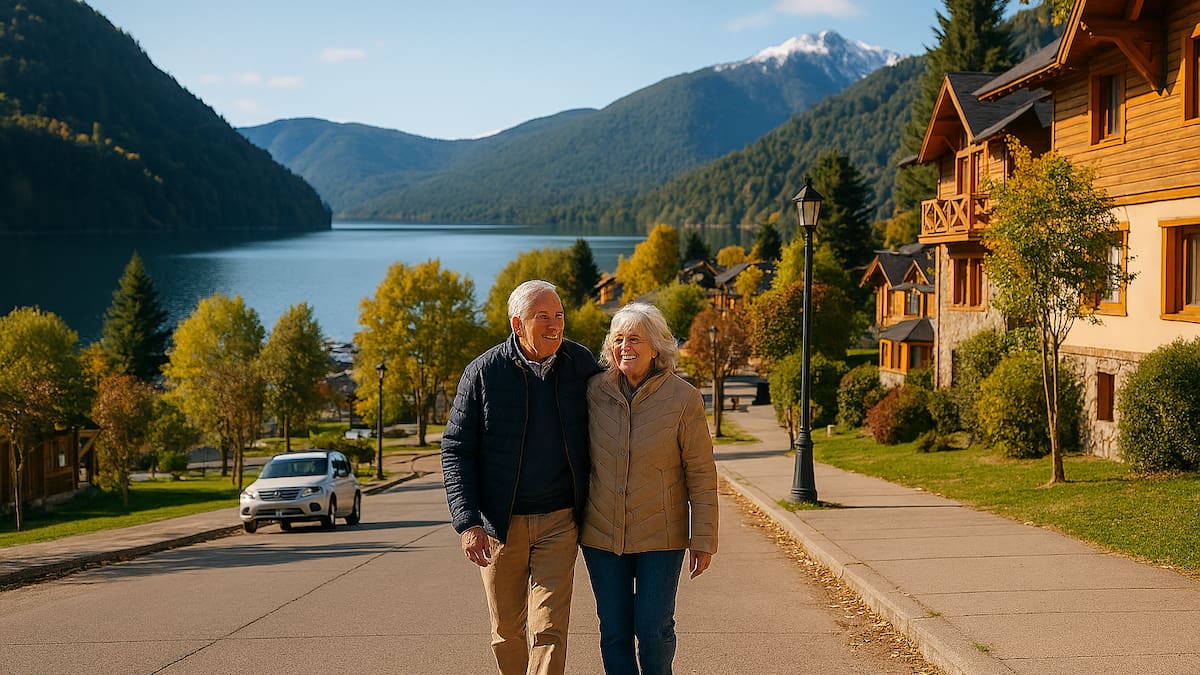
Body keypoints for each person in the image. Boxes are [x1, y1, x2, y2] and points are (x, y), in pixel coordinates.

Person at [441, 279, 599, 675]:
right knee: (507, 630)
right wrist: (468, 523)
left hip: (560, 521)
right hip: (499, 526)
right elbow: (456, 450)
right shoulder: (482, 373)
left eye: (559, 315)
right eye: (542, 317)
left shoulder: (581, 365)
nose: (554, 325)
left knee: (549, 628)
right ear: (517, 324)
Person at [581, 302, 718, 675]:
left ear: (656, 347)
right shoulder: (592, 392)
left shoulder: (683, 398)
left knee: (654, 630)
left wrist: (703, 538)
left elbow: (701, 474)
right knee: (614, 632)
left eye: (635, 339)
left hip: (663, 537)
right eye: (619, 339)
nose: (625, 347)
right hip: (601, 535)